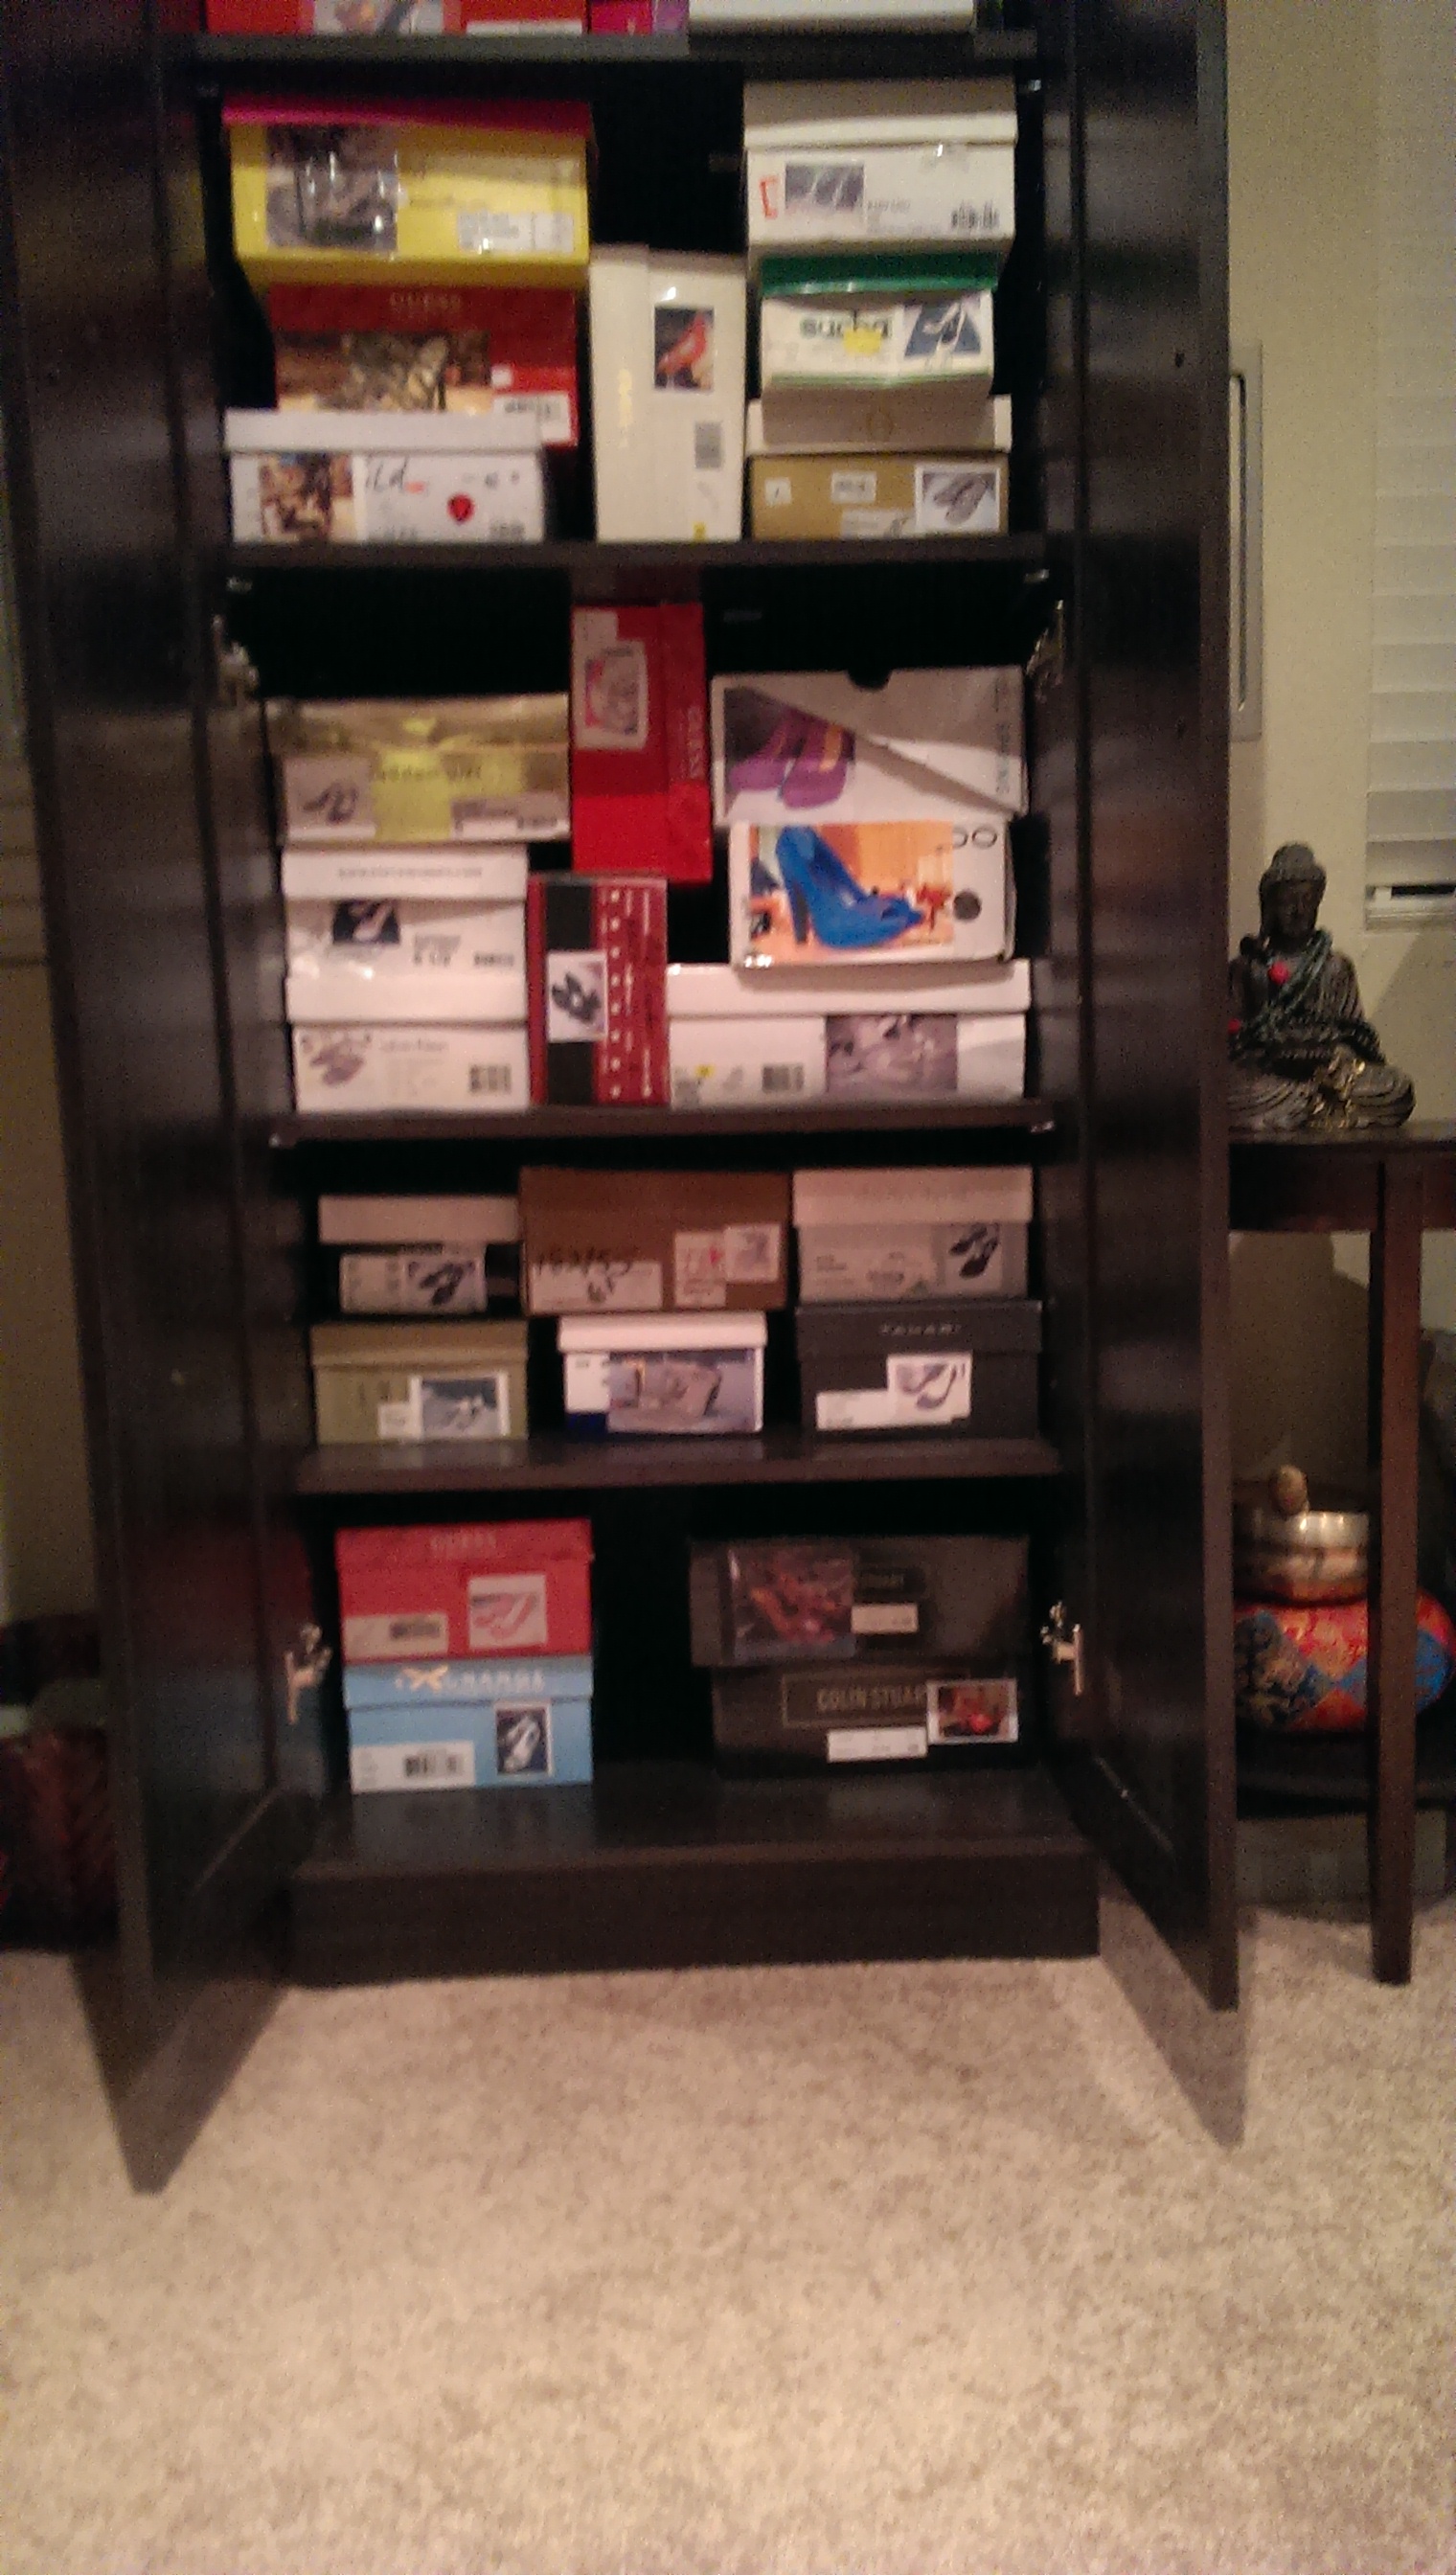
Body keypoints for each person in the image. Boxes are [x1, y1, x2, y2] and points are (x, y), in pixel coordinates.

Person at [1227, 843, 1414, 1131]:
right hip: (1271, 1077)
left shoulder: (1336, 966)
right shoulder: (1249, 967)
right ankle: (1314, 1105)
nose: (1299, 910)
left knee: (1397, 1087)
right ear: (1271, 907)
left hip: (1328, 1073)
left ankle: (1313, 1104)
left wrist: (1331, 1048)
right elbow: (1231, 1041)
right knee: (1224, 1090)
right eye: (1288, 901)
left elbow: (1358, 1036)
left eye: (1307, 900)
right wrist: (1268, 1044)